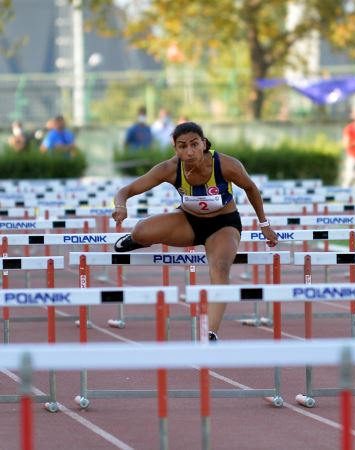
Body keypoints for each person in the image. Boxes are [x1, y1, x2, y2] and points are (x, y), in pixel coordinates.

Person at [111, 122, 278, 341]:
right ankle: (137, 240)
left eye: (194, 144)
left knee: (220, 268)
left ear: (204, 143)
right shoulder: (170, 168)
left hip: (223, 225)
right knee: (141, 230)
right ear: (175, 149)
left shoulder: (226, 165)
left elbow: (250, 188)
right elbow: (126, 190)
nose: (189, 152)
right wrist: (120, 207)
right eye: (182, 146)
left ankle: (210, 332)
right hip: (188, 222)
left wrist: (264, 225)